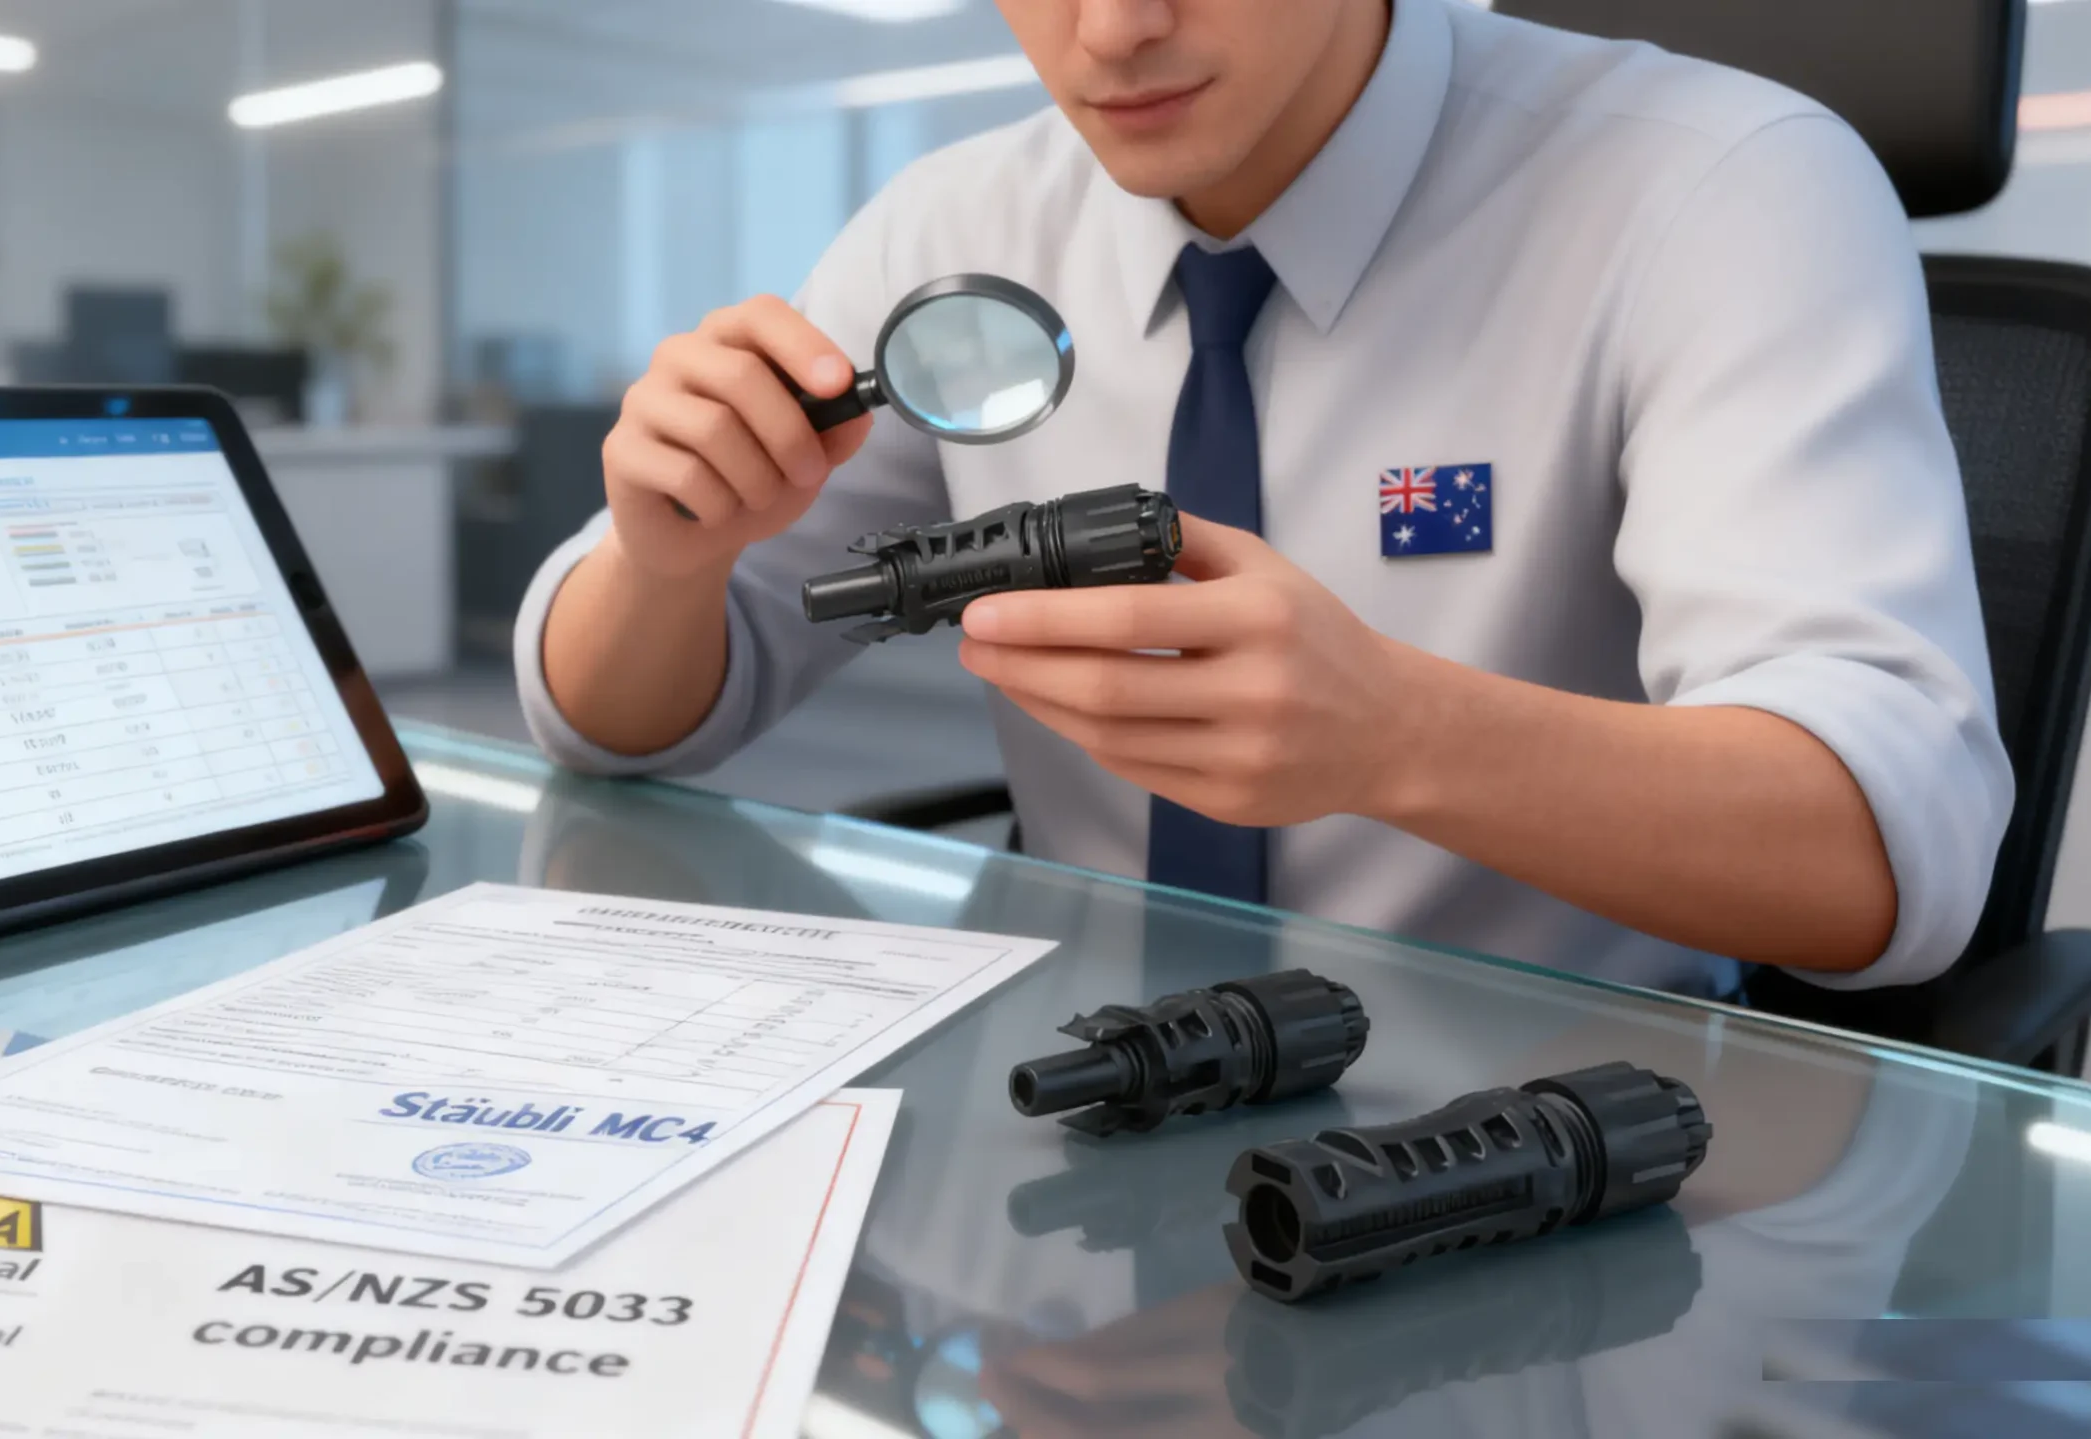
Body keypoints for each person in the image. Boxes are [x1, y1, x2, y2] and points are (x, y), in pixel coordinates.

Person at [513, 0, 2012, 998]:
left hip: (1544, 1151)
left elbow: (1896, 850)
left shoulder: (1722, 187)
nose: (1112, 29)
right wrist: (666, 562)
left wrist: (1401, 733)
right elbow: (613, 722)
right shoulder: (964, 224)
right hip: (1075, 1113)